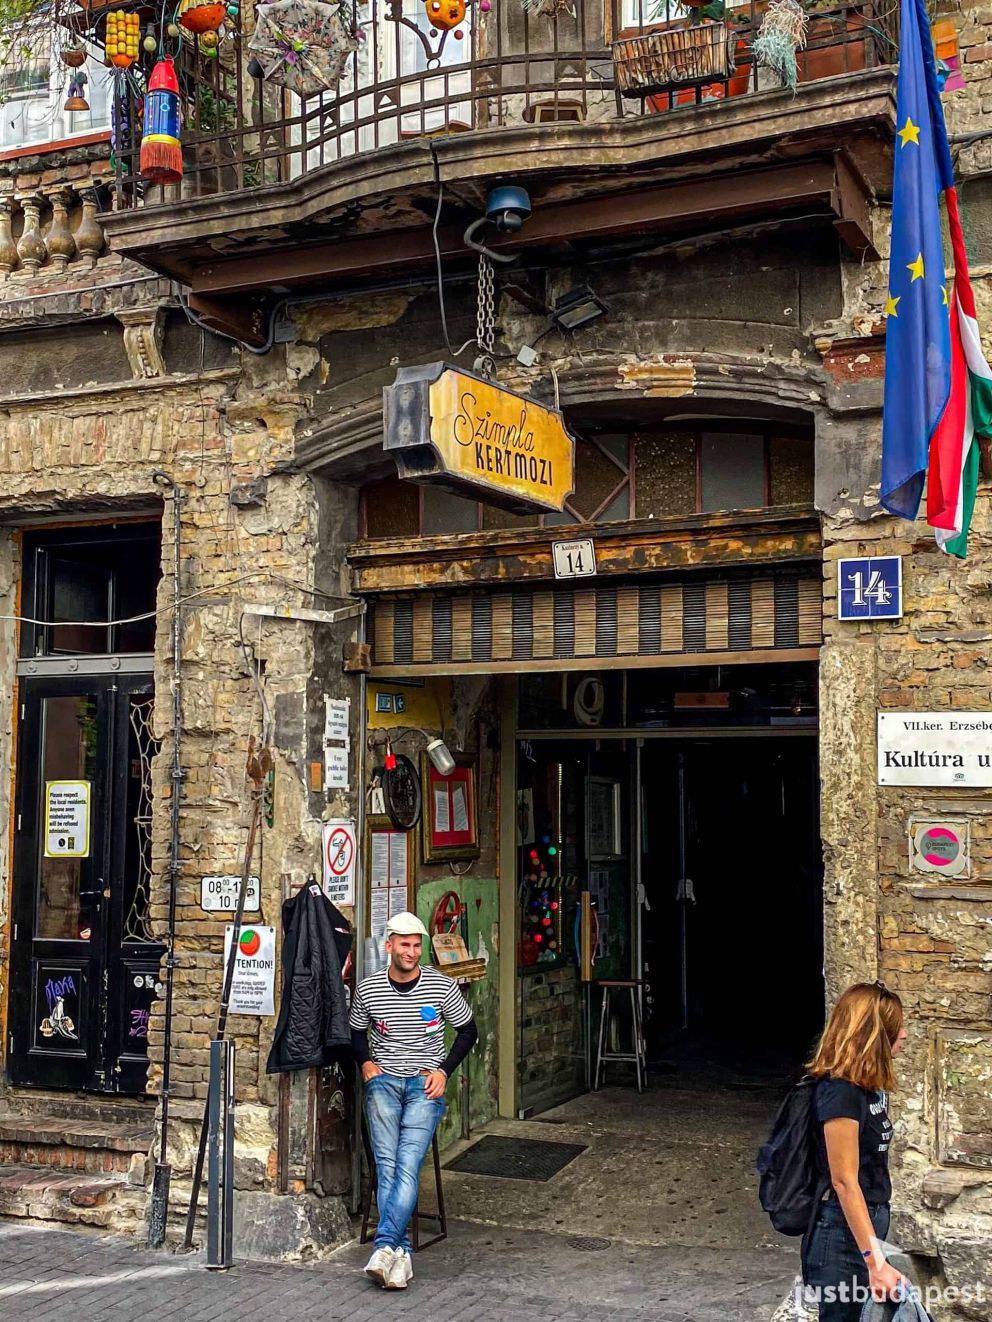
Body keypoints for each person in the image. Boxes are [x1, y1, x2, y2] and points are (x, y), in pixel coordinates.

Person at [350, 910, 478, 1291]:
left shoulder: (440, 987)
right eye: (405, 944)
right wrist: (366, 1063)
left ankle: (385, 1246)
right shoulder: (369, 988)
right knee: (387, 1165)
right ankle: (399, 1255)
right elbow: (356, 1031)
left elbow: (469, 1031)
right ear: (388, 946)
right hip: (384, 1083)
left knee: (405, 1163)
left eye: (417, 944)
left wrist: (443, 1071)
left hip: (425, 1085)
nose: (412, 951)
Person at [803, 981, 910, 1321]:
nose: (905, 1035)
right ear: (873, 1036)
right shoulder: (840, 1094)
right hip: (840, 1237)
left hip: (864, 1230)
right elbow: (844, 1181)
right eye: (896, 1029)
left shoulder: (868, 1090)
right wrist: (875, 1261)